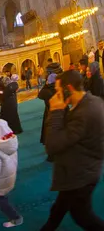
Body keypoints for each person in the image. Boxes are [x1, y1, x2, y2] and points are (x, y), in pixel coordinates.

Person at [40, 70, 104, 231]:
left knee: (82, 216)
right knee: (59, 208)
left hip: (81, 175)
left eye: (58, 90)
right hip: (79, 170)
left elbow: (52, 145)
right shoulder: (91, 101)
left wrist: (55, 112)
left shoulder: (83, 114)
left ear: (68, 88)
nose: (56, 94)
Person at [38, 73, 57, 146]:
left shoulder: (47, 90)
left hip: (49, 112)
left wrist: (46, 85)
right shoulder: (58, 88)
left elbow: (40, 95)